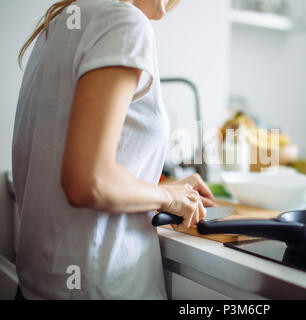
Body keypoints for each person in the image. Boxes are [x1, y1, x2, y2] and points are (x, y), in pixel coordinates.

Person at [12, 0, 216, 299]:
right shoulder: (123, 23)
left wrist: (159, 190)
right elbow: (88, 181)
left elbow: (74, 163)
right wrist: (166, 196)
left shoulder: (58, 24)